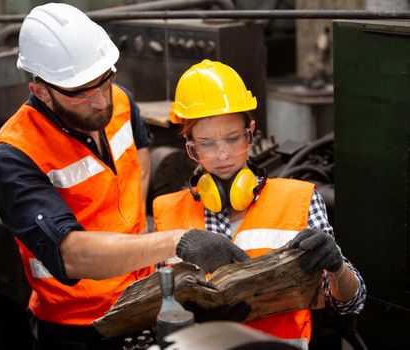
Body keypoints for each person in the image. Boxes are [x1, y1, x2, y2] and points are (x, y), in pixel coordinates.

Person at [0, 4, 249, 349]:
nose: (99, 103)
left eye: (104, 81)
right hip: (79, 325)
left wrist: (136, 245)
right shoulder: (14, 155)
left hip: (146, 298)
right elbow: (69, 254)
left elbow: (139, 157)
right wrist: (176, 241)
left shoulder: (120, 102)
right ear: (41, 90)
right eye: (80, 92)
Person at [153, 59, 367, 349]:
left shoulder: (299, 200)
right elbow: (150, 310)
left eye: (233, 139)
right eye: (205, 143)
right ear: (188, 142)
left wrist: (337, 268)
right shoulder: (167, 213)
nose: (222, 155)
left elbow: (350, 305)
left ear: (251, 132)